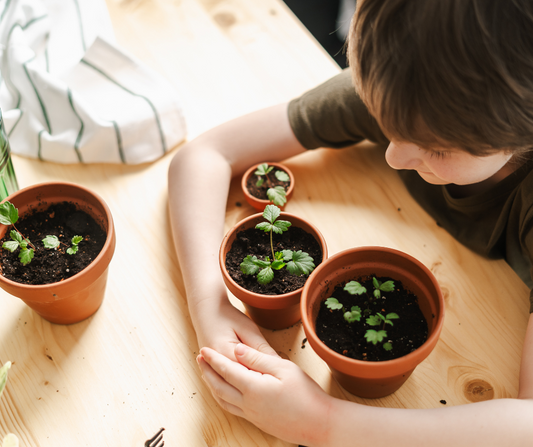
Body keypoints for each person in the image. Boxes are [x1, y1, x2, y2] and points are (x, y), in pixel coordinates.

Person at [167, 0, 533, 445]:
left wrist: (321, 422)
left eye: (435, 149)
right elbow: (202, 157)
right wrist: (209, 304)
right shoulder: (406, 83)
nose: (393, 155)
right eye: (383, 119)